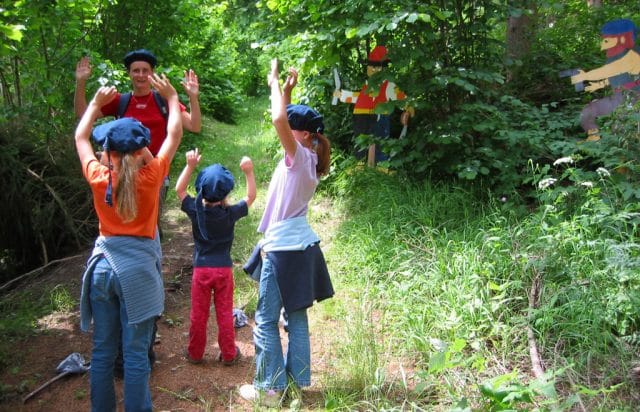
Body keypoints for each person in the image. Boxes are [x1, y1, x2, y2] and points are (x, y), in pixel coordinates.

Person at [75, 73, 182, 412]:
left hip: (103, 268)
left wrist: (94, 105)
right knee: (136, 355)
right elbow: (175, 132)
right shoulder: (151, 178)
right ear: (141, 151)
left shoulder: (99, 177)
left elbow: (80, 136)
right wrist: (172, 96)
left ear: (107, 152)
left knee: (103, 352)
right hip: (136, 273)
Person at [239, 59, 334, 408]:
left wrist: (274, 80)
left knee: (265, 319)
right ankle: (296, 383)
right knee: (295, 315)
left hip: (281, 249)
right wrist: (289, 90)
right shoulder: (307, 157)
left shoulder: (297, 156)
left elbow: (280, 119)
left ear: (304, 134)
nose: (282, 131)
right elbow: (287, 119)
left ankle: (268, 388)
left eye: (291, 128)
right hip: (301, 246)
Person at [175, 148, 256, 365]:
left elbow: (179, 190)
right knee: (224, 313)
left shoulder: (195, 209)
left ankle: (195, 354)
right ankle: (229, 354)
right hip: (223, 271)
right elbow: (251, 197)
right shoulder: (230, 213)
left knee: (198, 315)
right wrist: (248, 172)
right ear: (226, 193)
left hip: (201, 270)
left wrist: (190, 166)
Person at [333, 45, 414, 167]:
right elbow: (358, 97)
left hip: (380, 116)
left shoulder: (388, 86)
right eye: (371, 66)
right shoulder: (367, 85)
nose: (374, 69)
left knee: (381, 142)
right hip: (361, 117)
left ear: (383, 68)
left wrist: (408, 106)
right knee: (360, 141)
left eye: (377, 66)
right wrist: (341, 95)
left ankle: (381, 167)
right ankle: (359, 166)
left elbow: (399, 97)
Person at [570, 19, 640, 141]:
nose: (603, 44)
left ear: (622, 38)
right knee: (588, 111)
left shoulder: (632, 55)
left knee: (622, 129)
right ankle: (594, 138)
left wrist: (585, 76)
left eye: (607, 39)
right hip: (619, 97)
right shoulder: (617, 56)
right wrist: (599, 84)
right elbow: (617, 76)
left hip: (632, 98)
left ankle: (623, 153)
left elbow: (610, 70)